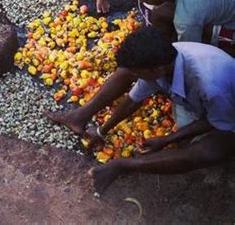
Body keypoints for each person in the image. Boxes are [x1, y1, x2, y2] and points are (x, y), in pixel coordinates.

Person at [46, 0, 235, 135]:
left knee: (185, 123)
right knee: (158, 17)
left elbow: (182, 53)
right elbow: (135, 96)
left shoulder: (188, 17)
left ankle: (161, 82)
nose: (142, 2)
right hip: (213, 8)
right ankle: (80, 115)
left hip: (229, 30)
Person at [82, 27, 235, 194]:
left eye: (135, 72)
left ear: (155, 70)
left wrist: (167, 139)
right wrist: (102, 130)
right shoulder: (162, 62)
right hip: (207, 104)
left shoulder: (209, 85)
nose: (133, 75)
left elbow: (215, 122)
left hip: (228, 109)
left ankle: (123, 166)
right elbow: (133, 101)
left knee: (207, 152)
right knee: (184, 139)